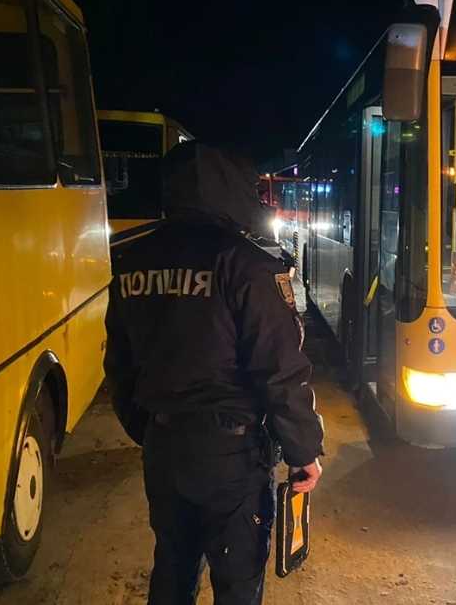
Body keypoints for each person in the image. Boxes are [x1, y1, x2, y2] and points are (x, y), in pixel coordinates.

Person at [103, 140, 325, 605]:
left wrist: (149, 429)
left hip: (164, 448)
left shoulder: (131, 260)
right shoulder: (247, 264)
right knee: (237, 581)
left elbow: (119, 365)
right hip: (231, 454)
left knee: (173, 567)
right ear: (231, 191)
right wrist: (304, 450)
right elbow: (280, 369)